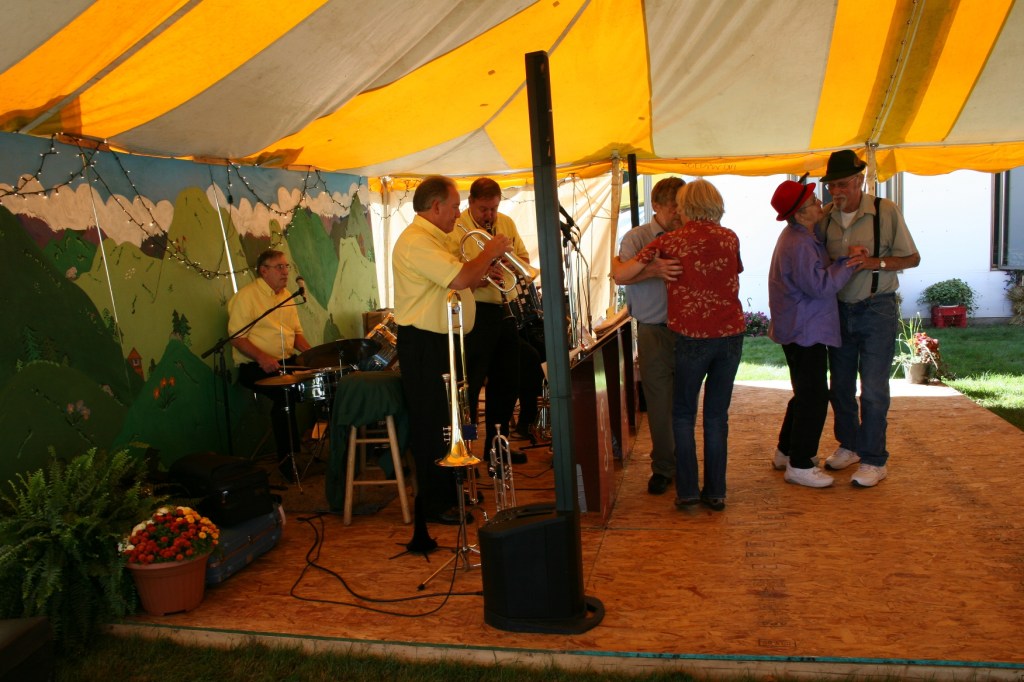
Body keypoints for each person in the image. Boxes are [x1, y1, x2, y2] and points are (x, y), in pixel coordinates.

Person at [616, 179, 744, 511]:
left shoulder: (671, 241)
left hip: (691, 337)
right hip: (729, 337)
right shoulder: (730, 237)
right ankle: (716, 492)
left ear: (686, 206)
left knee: (683, 415)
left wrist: (650, 266)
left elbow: (623, 272)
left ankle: (687, 491)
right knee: (717, 416)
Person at [393, 175, 510, 526]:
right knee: (433, 423)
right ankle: (434, 503)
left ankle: (455, 489)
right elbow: (459, 279)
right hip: (423, 342)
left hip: (445, 339)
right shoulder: (416, 242)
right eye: (456, 205)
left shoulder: (441, 237)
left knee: (453, 418)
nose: (459, 214)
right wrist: (488, 252)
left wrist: (487, 269)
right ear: (436, 206)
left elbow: (467, 278)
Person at [821, 150, 921, 487]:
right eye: (833, 185)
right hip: (839, 309)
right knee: (841, 386)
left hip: (876, 307)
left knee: (874, 388)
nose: (838, 191)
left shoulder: (884, 211)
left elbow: (912, 258)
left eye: (844, 184)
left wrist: (873, 262)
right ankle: (849, 445)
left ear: (860, 180)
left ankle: (875, 460)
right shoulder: (825, 218)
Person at [767, 180, 858, 488]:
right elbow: (819, 286)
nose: (822, 204)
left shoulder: (797, 236)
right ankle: (801, 464)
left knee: (805, 394)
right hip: (807, 329)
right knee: (815, 397)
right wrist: (849, 264)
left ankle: (785, 452)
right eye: (816, 202)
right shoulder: (800, 243)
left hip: (797, 326)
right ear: (802, 212)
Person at [612, 177, 685, 495]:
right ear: (655, 206)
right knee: (658, 403)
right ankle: (664, 467)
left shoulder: (688, 234)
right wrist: (651, 270)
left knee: (684, 402)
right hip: (654, 328)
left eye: (682, 208)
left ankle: (686, 464)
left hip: (689, 331)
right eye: (673, 209)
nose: (678, 215)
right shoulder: (637, 237)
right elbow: (620, 275)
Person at [450, 177, 531, 464]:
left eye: (494, 208)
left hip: (503, 310)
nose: (489, 215)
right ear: (471, 202)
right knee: (469, 387)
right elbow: (456, 274)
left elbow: (523, 257)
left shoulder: (505, 223)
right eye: (484, 209)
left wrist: (509, 262)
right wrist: (485, 272)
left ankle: (498, 447)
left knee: (507, 383)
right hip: (474, 314)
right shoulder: (456, 227)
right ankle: (467, 449)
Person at [228, 249, 311, 480]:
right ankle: (289, 460)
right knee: (285, 394)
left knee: (327, 380)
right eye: (280, 267)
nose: (285, 272)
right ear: (263, 271)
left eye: (287, 267)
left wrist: (316, 357)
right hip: (254, 366)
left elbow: (296, 335)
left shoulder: (287, 296)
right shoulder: (247, 296)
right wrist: (262, 358)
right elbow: (237, 337)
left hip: (286, 362)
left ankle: (338, 452)